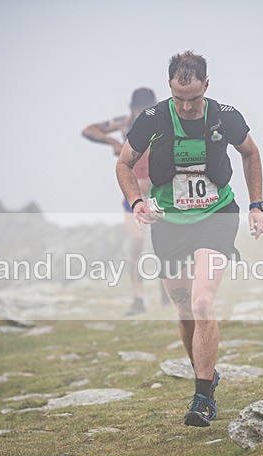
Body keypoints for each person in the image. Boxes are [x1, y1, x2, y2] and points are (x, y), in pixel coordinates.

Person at [116, 51, 263, 427]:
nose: (186, 106)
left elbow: (250, 153)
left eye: (194, 98)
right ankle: (206, 372)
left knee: (202, 303)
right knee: (184, 311)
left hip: (216, 216)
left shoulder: (225, 116)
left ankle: (203, 399)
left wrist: (257, 205)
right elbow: (123, 163)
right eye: (179, 97)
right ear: (170, 87)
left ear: (206, 86)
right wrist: (136, 202)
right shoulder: (151, 119)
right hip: (168, 220)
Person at [82, 87, 167, 316]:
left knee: (166, 246)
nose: (143, 115)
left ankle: (166, 290)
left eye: (147, 110)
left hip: (160, 195)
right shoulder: (123, 123)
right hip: (133, 196)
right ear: (132, 109)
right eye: (140, 111)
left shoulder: (162, 122)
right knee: (136, 244)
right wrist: (112, 142)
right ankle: (138, 299)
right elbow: (88, 130)